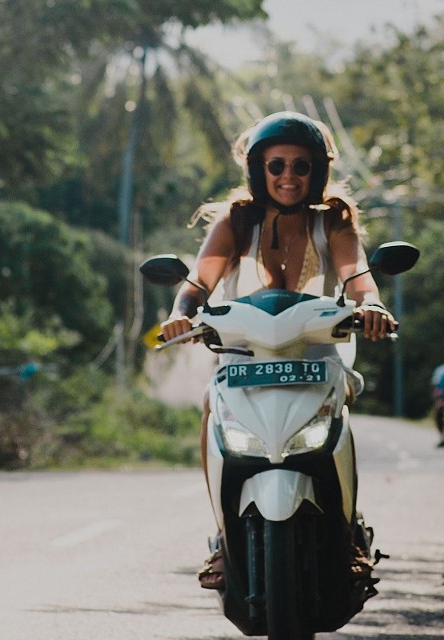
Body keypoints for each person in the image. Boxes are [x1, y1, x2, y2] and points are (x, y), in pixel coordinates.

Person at [158, 111, 396, 589]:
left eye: (301, 166)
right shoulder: (236, 219)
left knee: (338, 418)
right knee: (212, 407)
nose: (288, 176)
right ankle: (224, 541)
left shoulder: (333, 221)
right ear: (257, 170)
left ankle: (347, 535)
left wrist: (372, 304)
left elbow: (357, 275)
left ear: (318, 173)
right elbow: (198, 281)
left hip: (316, 355)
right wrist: (180, 312)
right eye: (277, 165)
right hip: (244, 355)